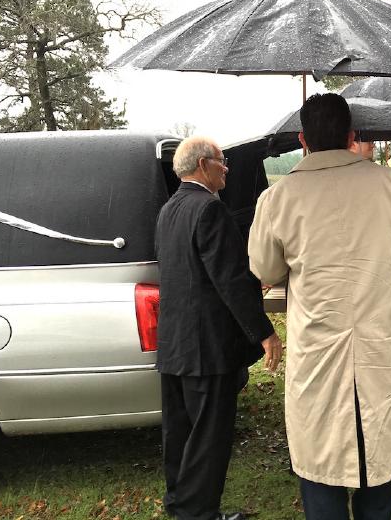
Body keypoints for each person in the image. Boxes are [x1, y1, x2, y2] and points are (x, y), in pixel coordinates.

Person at [249, 93, 391, 520]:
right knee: (381, 449)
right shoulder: (390, 184)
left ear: (302, 139)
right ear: (353, 136)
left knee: (321, 455)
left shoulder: (278, 198)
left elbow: (265, 267)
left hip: (318, 343)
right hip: (381, 338)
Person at [155, 136, 283, 520]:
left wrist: (246, 279)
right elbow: (227, 279)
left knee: (179, 434)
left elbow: (196, 273)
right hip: (205, 347)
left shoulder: (169, 209)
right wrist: (265, 332)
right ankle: (198, 514)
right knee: (208, 437)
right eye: (222, 161)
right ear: (202, 165)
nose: (227, 167)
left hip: (175, 343)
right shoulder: (209, 209)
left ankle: (179, 504)